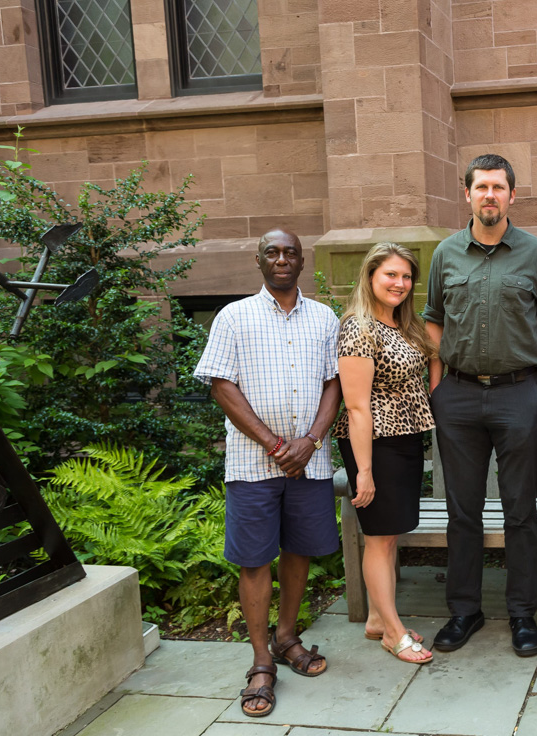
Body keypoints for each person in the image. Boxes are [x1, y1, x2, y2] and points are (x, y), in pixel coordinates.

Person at [424, 153, 537, 657]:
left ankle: (523, 614)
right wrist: (439, 387)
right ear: (467, 194)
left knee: (519, 510)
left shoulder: (535, 254)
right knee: (461, 511)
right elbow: (433, 320)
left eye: (498, 187)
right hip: (458, 397)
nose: (489, 195)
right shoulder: (446, 254)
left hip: (517, 394)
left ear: (511, 195)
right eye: (481, 187)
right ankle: (464, 610)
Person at [194, 228, 341, 718]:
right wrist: (276, 444)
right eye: (272, 253)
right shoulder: (233, 316)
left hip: (311, 462)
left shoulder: (324, 317)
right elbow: (221, 385)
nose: (282, 259)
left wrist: (312, 441)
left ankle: (286, 638)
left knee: (299, 549)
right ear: (259, 261)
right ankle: (261, 662)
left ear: (302, 261)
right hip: (253, 464)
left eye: (290, 253)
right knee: (254, 559)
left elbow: (333, 384)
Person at [333, 243, 436, 665]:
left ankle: (378, 617)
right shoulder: (358, 327)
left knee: (389, 534)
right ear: (370, 277)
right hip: (374, 443)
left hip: (405, 439)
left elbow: (432, 359)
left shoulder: (402, 324)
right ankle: (393, 634)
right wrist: (364, 471)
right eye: (390, 275)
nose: (400, 283)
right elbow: (356, 407)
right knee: (379, 538)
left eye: (406, 276)